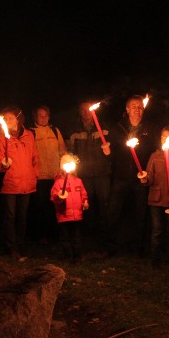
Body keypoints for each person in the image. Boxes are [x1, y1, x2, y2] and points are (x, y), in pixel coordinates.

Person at [106, 95, 158, 256]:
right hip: (121, 177)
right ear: (127, 110)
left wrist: (148, 173)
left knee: (141, 214)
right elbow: (112, 153)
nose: (137, 110)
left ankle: (139, 248)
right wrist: (107, 152)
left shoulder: (150, 129)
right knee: (113, 212)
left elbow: (155, 153)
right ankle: (111, 246)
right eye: (134, 107)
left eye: (140, 107)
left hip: (140, 179)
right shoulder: (117, 128)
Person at [0, 106, 38, 261]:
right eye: (5, 118)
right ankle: (11, 247)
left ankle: (21, 245)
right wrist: (2, 165)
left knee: (22, 216)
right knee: (10, 216)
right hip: (11, 183)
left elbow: (35, 157)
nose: (7, 121)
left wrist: (34, 175)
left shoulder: (29, 135)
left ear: (18, 119)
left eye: (10, 118)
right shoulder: (0, 137)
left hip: (27, 183)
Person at [139, 126, 169, 268]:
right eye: (163, 137)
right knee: (157, 230)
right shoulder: (155, 156)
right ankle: (155, 260)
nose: (165, 140)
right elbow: (149, 177)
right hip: (157, 200)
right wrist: (144, 179)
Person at [69, 101, 112, 243]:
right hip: (84, 174)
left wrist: (109, 152)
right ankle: (88, 236)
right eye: (83, 110)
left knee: (104, 204)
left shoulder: (104, 127)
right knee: (87, 204)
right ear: (79, 112)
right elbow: (71, 152)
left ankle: (104, 236)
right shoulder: (74, 130)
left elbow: (112, 151)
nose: (86, 113)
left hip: (101, 173)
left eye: (88, 110)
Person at [29, 105, 67, 244]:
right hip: (40, 177)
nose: (43, 118)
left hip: (55, 176)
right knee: (40, 207)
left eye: (45, 115)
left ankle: (55, 235)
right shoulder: (31, 132)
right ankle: (40, 236)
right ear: (35, 117)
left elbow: (63, 152)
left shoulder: (55, 131)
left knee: (55, 206)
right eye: (40, 115)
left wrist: (63, 171)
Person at [50, 153, 89, 264]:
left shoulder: (78, 181)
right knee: (65, 238)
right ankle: (68, 257)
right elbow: (53, 197)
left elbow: (83, 194)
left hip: (76, 216)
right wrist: (59, 198)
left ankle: (77, 257)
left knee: (76, 237)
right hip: (64, 216)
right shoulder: (58, 183)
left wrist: (85, 202)